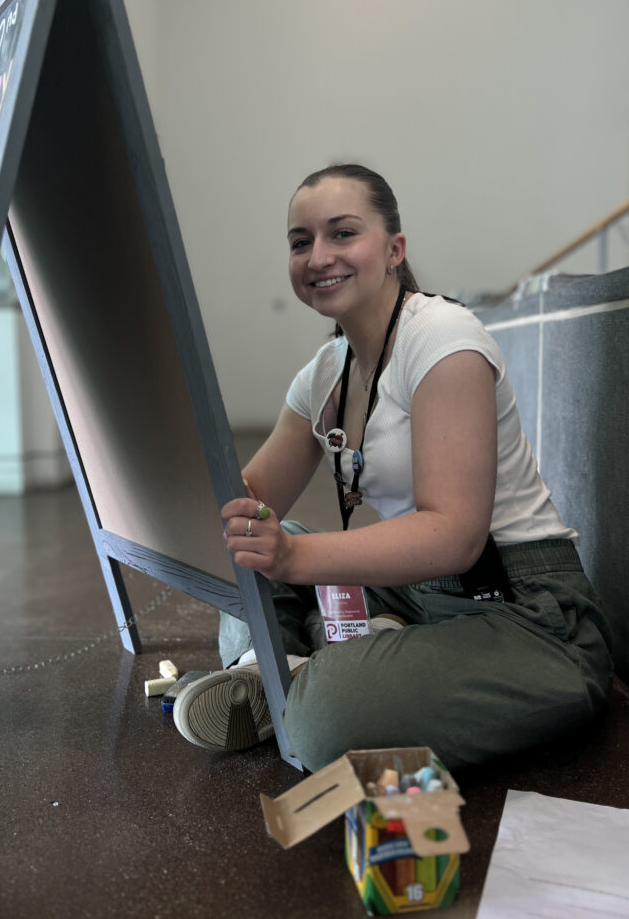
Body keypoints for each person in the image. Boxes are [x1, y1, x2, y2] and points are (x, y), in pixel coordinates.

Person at [172, 163, 614, 772]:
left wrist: (292, 558)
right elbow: (251, 498)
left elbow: (454, 536)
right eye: (301, 242)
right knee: (263, 550)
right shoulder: (326, 371)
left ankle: (299, 678)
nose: (318, 255)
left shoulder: (443, 338)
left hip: (523, 609)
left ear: (393, 250)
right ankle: (298, 667)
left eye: (343, 233)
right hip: (416, 590)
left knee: (319, 723)